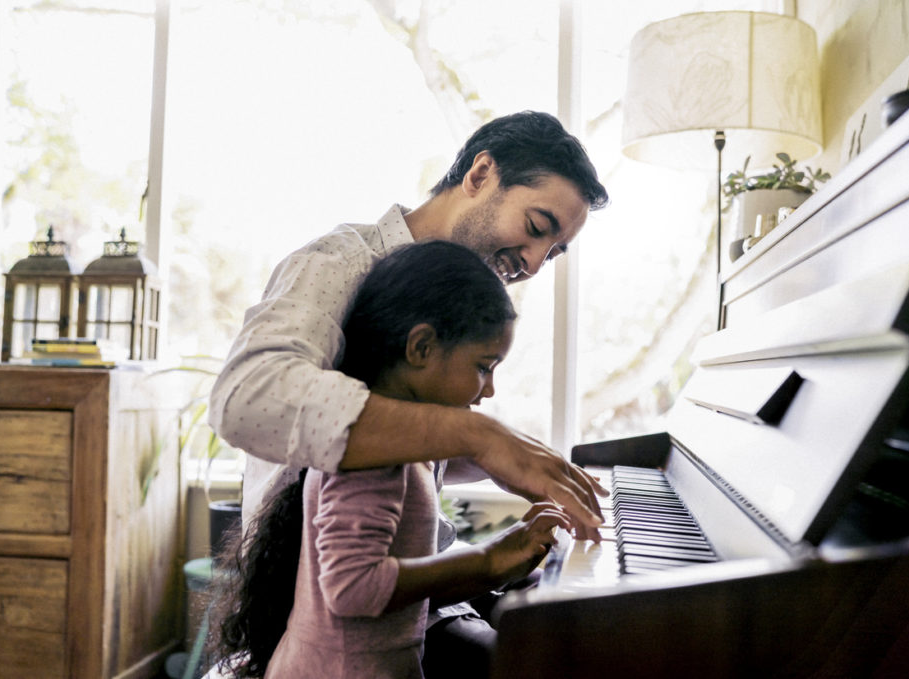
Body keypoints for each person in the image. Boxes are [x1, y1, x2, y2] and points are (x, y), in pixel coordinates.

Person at [208, 110, 610, 538]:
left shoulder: (449, 299)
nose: (532, 263)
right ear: (480, 174)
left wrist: (508, 458)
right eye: (535, 227)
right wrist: (480, 436)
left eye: (551, 254)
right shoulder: (339, 262)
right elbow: (247, 400)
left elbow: (394, 445)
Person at [210, 241, 572, 679]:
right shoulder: (376, 461)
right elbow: (352, 589)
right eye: (483, 366)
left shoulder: (396, 444)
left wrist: (515, 466)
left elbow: (447, 466)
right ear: (420, 347)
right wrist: (487, 561)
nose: (489, 389)